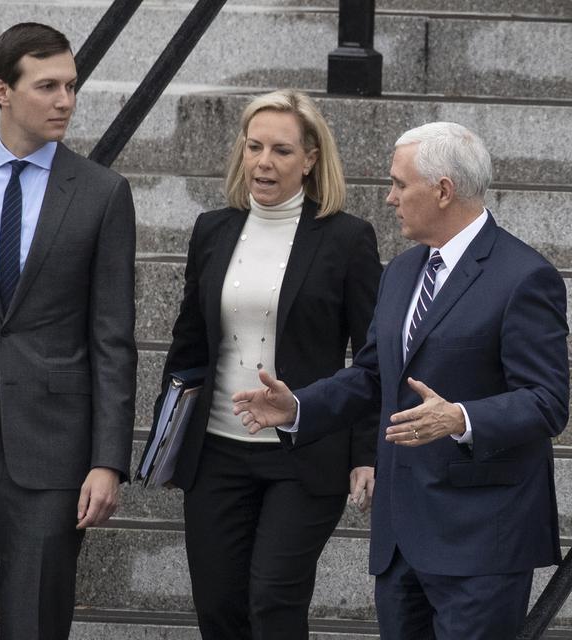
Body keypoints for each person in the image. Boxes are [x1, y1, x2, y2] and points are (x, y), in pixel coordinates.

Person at [233, 121, 569, 640]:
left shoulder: (524, 277)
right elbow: (372, 373)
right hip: (401, 540)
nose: (389, 199)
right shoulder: (403, 270)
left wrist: (460, 417)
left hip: (480, 542)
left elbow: (548, 401)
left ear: (442, 191)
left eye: (398, 184)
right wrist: (299, 407)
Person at [151, 89, 382, 638]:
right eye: (254, 146)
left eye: (281, 150)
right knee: (219, 607)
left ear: (310, 160)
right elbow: (189, 345)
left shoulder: (347, 239)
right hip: (217, 454)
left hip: (303, 457)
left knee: (274, 602)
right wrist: (167, 436)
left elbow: (372, 358)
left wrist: (366, 452)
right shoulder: (213, 229)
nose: (264, 161)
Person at [0, 23, 137, 639]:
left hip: (52, 454)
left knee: (35, 627)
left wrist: (108, 461)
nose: (65, 101)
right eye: (47, 86)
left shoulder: (103, 194)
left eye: (71, 86)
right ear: (2, 91)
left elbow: (113, 338)